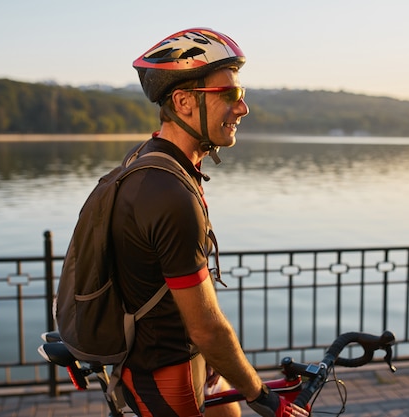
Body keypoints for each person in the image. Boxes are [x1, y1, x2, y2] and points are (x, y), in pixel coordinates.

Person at [110, 28, 309, 417]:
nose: (242, 108)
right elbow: (207, 329)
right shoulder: (169, 193)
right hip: (166, 373)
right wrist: (261, 396)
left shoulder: (151, 160)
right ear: (183, 102)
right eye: (230, 95)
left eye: (242, 94)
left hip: (190, 358)